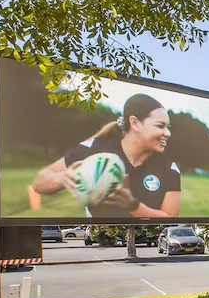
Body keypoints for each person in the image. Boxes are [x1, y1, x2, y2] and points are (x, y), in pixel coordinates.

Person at [32, 93, 181, 218]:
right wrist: (62, 178)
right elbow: (39, 183)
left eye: (168, 127)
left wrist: (133, 206)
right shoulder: (95, 148)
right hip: (99, 240)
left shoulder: (169, 168)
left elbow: (170, 217)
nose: (168, 133)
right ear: (135, 123)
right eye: (160, 126)